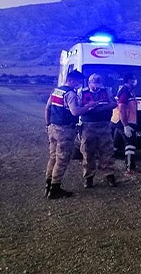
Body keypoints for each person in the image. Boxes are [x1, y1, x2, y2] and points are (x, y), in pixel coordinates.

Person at [44, 70, 96, 199]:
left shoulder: (56, 90)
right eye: (78, 82)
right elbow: (75, 112)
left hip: (53, 128)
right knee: (62, 159)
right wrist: (88, 106)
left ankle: (48, 184)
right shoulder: (70, 94)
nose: (79, 84)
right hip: (64, 130)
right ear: (72, 80)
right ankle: (55, 188)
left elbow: (47, 108)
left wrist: (48, 124)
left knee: (53, 157)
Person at [79, 73, 119, 189]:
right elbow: (78, 107)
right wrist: (89, 108)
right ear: (89, 83)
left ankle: (109, 175)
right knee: (87, 152)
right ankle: (89, 178)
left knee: (107, 151)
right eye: (94, 84)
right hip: (88, 125)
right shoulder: (82, 92)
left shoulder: (106, 91)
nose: (96, 86)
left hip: (104, 124)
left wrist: (101, 108)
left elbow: (113, 103)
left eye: (98, 84)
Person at [116, 73, 141, 174]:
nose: (135, 81)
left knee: (116, 144)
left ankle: (130, 165)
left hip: (128, 121)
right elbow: (121, 108)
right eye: (133, 79)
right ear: (129, 80)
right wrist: (125, 125)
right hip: (126, 122)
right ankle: (130, 167)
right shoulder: (125, 92)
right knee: (130, 144)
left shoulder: (130, 91)